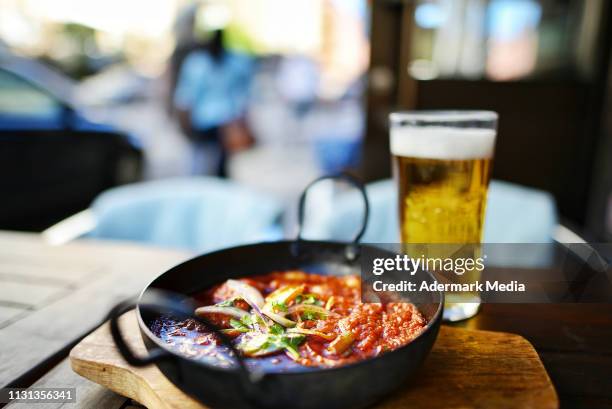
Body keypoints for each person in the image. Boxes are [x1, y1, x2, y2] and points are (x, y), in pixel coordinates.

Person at [174, 29, 254, 177]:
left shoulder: (234, 63)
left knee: (222, 165)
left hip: (226, 123)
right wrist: (185, 124)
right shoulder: (197, 65)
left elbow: (242, 94)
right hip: (203, 123)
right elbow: (185, 97)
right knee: (201, 163)